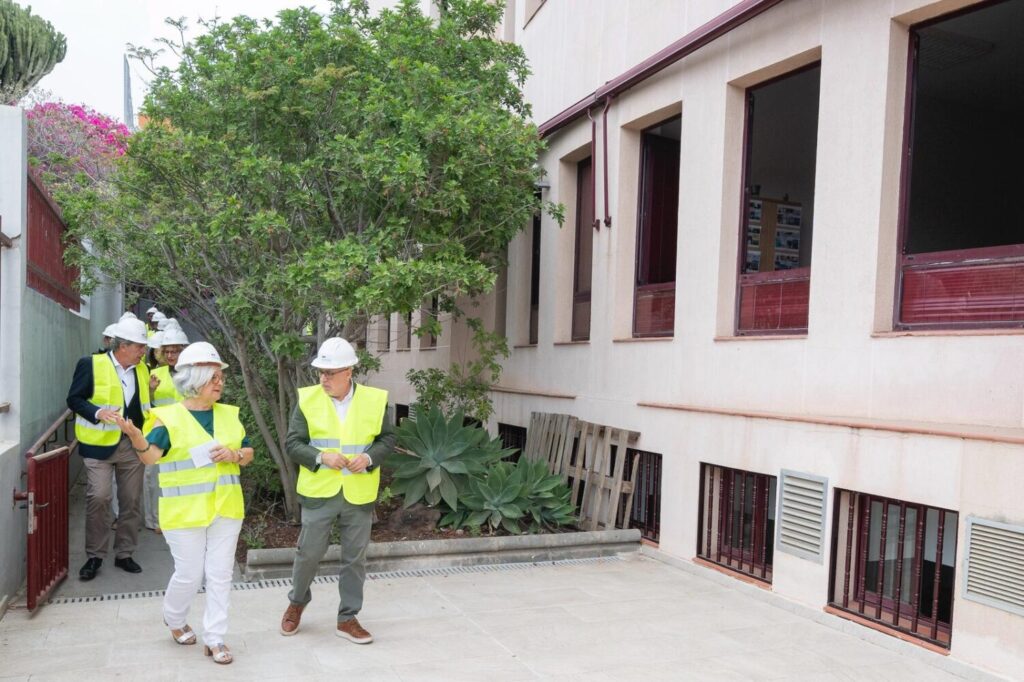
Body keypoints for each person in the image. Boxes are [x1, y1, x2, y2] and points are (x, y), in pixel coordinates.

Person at [114, 341, 253, 665]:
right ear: (195, 379)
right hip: (183, 512)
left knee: (220, 574)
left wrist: (235, 455)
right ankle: (174, 618)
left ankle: (215, 638)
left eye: (221, 377)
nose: (220, 383)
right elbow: (150, 458)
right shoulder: (169, 418)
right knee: (190, 573)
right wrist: (136, 437)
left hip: (226, 507)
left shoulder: (230, 415)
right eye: (214, 377)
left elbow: (248, 453)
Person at [280, 337, 394, 643]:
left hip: (359, 494)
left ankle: (348, 618)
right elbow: (292, 443)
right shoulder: (307, 399)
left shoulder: (374, 400)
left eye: (331, 372)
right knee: (308, 554)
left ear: (350, 371)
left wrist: (368, 458)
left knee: (355, 559)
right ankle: (297, 601)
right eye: (321, 372)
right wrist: (320, 457)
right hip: (319, 492)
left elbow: (387, 439)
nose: (324, 378)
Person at [66, 318, 152, 581]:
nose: (143, 352)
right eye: (140, 347)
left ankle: (125, 553)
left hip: (131, 446)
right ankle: (95, 556)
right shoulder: (90, 364)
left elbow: (144, 407)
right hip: (98, 446)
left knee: (131, 501)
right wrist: (98, 412)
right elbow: (74, 399)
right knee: (100, 498)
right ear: (123, 346)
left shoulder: (143, 370)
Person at [142, 325, 190, 534]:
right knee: (154, 478)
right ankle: (155, 520)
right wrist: (150, 391)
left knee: (182, 476)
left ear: (183, 351)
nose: (171, 355)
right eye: (167, 351)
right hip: (159, 431)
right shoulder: (155, 374)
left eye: (175, 351)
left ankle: (178, 517)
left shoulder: (192, 374)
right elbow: (146, 404)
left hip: (185, 432)